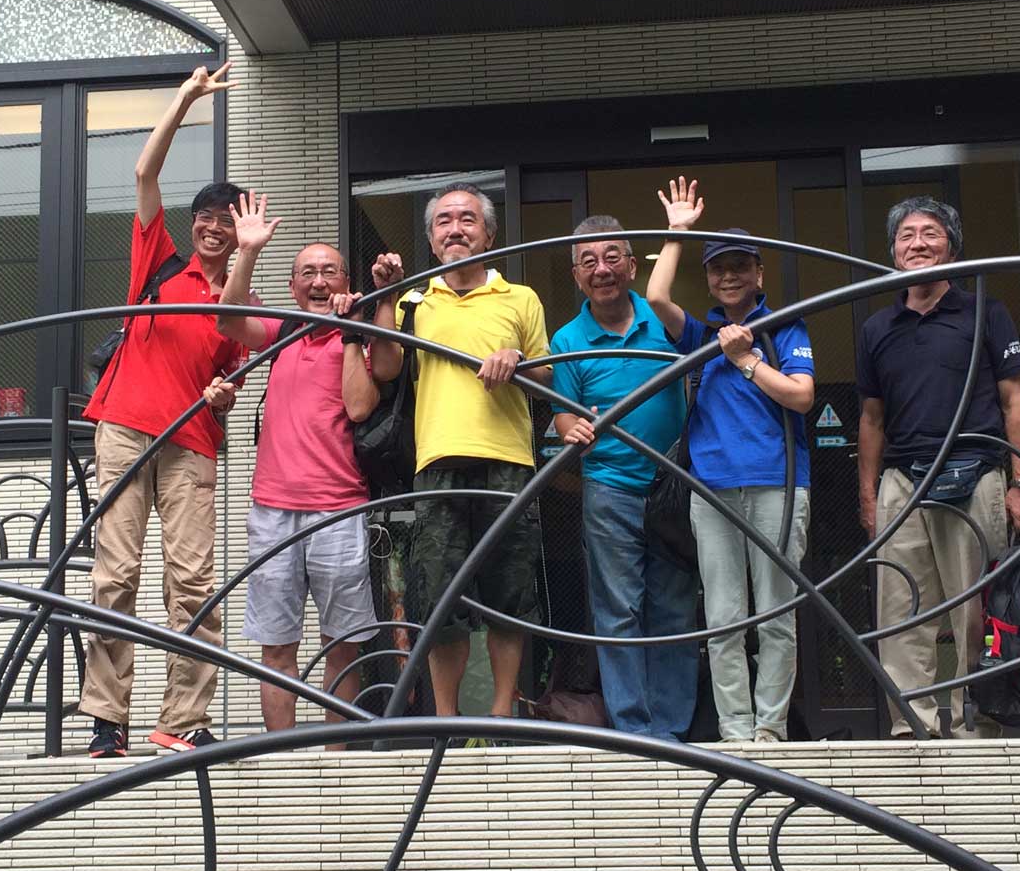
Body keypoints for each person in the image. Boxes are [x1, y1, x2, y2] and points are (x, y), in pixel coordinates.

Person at [79, 64, 244, 759]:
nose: (213, 227)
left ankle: (183, 718)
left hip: (193, 442)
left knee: (195, 583)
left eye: (227, 220)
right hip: (124, 425)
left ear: (242, 232)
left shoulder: (240, 300)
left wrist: (223, 393)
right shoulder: (160, 260)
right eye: (205, 217)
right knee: (115, 575)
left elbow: (230, 374)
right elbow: (146, 173)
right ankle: (106, 718)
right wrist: (184, 99)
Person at [855, 195, 1020, 739]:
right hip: (902, 478)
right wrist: (868, 494)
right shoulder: (876, 327)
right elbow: (871, 417)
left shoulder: (986, 311)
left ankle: (971, 721)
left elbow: (1015, 402)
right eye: (906, 235)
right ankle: (911, 723)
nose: (917, 244)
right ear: (893, 251)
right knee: (900, 608)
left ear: (952, 247)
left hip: (975, 472)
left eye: (930, 233)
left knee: (974, 609)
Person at [646, 179, 815, 745]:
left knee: (776, 615)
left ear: (760, 273)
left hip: (776, 484)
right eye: (718, 267)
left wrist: (746, 361)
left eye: (740, 265)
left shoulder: (786, 325)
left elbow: (801, 396)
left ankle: (770, 729)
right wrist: (677, 233)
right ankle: (736, 732)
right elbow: (657, 298)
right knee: (722, 619)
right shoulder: (702, 333)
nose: (729, 276)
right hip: (712, 489)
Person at [369, 187, 548, 718]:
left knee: (510, 591)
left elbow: (545, 376)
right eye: (443, 221)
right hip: (437, 461)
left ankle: (501, 713)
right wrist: (384, 297)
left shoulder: (521, 298)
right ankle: (445, 720)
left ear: (489, 235)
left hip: (508, 460)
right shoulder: (414, 301)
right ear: (431, 239)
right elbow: (385, 368)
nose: (455, 229)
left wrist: (515, 357)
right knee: (439, 597)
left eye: (468, 219)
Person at [215, 191, 381, 740]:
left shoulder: (362, 337)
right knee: (276, 645)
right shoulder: (281, 331)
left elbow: (360, 407)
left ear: (346, 282)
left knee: (343, 644)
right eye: (307, 272)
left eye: (329, 271)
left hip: (340, 508)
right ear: (292, 288)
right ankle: (280, 758)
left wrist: (353, 330)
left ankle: (336, 758)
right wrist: (247, 251)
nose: (318, 281)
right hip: (273, 510)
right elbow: (228, 319)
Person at [550, 216, 697, 740]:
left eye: (612, 257)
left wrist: (677, 232)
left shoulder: (663, 319)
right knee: (618, 611)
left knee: (675, 608)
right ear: (576, 275)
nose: (602, 269)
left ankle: (672, 731)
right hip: (609, 486)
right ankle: (632, 730)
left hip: (672, 485)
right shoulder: (568, 339)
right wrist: (571, 428)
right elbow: (563, 415)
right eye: (588, 261)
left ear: (633, 266)